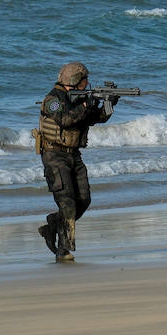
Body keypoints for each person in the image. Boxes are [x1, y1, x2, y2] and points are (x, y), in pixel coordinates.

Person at [36, 61, 120, 261]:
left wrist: (108, 104)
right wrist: (85, 105)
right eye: (84, 80)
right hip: (54, 155)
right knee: (67, 203)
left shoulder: (82, 98)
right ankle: (63, 250)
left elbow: (97, 118)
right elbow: (65, 119)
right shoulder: (52, 99)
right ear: (75, 81)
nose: (88, 82)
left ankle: (53, 225)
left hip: (74, 154)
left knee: (84, 199)